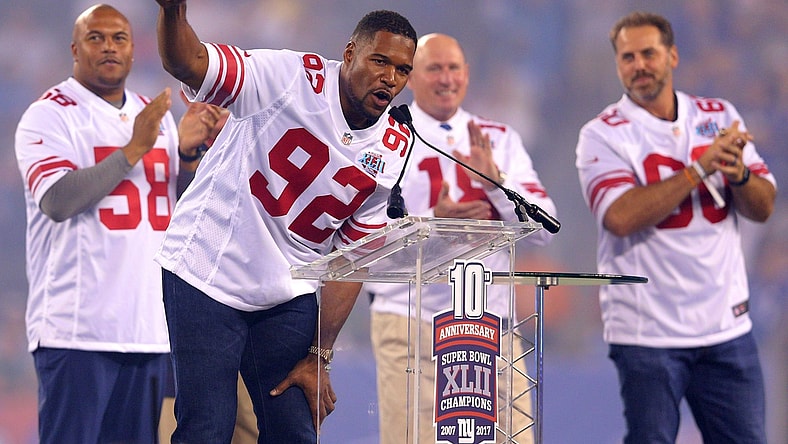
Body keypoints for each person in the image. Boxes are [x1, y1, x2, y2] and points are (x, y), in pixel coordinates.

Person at [152, 1, 418, 442]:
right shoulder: (287, 76)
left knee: (295, 429)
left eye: (403, 70)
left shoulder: (395, 146)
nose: (390, 78)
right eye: (380, 61)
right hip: (206, 271)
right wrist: (173, 12)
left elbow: (351, 260)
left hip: (287, 288)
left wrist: (319, 354)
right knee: (206, 427)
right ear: (349, 52)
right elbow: (190, 62)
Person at [13, 4, 222, 443]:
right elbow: (57, 200)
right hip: (76, 330)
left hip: (147, 329)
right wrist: (133, 149)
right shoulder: (50, 114)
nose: (109, 46)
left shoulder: (154, 114)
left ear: (132, 50)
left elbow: (174, 209)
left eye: (119, 38)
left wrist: (185, 154)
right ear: (75, 48)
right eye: (96, 37)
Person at [575, 11, 776, 443]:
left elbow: (764, 207)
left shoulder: (719, 116)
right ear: (618, 65)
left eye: (649, 53)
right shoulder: (602, 134)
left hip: (726, 327)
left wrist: (738, 174)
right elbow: (620, 217)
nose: (639, 65)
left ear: (673, 56)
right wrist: (700, 169)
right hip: (648, 332)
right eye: (627, 57)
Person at [362, 33, 555, 444]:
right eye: (434, 68)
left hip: (494, 323)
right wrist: (434, 224)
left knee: (516, 438)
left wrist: (495, 183)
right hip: (412, 321)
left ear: (466, 75)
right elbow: (363, 243)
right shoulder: (382, 138)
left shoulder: (499, 139)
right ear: (412, 77)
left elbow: (546, 228)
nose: (446, 78)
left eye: (454, 68)